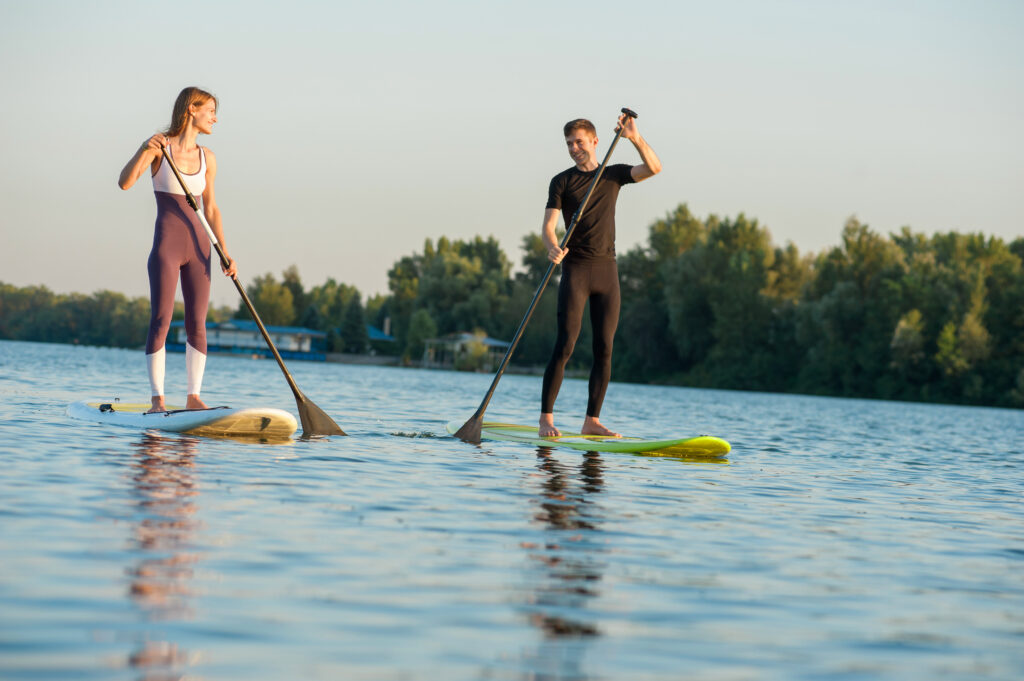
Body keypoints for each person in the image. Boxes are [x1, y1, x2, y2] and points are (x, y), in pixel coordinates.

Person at [539, 112, 661, 437]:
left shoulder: (613, 175)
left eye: (579, 141)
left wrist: (634, 137)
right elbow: (549, 227)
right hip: (576, 270)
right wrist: (552, 246)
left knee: (604, 348)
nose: (574, 148)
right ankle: (546, 419)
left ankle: (591, 421)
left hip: (607, 271)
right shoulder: (561, 181)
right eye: (569, 143)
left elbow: (654, 168)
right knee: (565, 344)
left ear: (594, 141)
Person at [118, 87, 236, 413]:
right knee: (161, 320)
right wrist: (145, 149)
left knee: (197, 322)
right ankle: (157, 401)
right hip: (167, 247)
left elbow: (211, 209)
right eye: (210, 110)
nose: (215, 117)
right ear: (191, 110)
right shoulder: (160, 148)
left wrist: (225, 251)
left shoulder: (208, 157)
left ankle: (194, 397)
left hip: (200, 249)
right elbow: (125, 182)